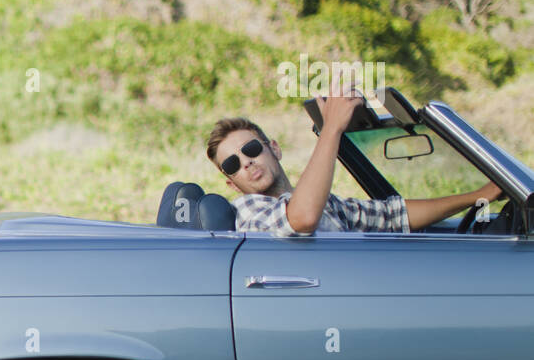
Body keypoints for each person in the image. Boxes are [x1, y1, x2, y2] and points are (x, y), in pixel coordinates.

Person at [205, 91, 502, 236]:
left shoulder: (324, 205)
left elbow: (393, 215)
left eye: (251, 149)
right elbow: (302, 219)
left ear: (274, 149)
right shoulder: (246, 211)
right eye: (232, 164)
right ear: (231, 183)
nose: (246, 162)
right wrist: (332, 128)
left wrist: (479, 195)